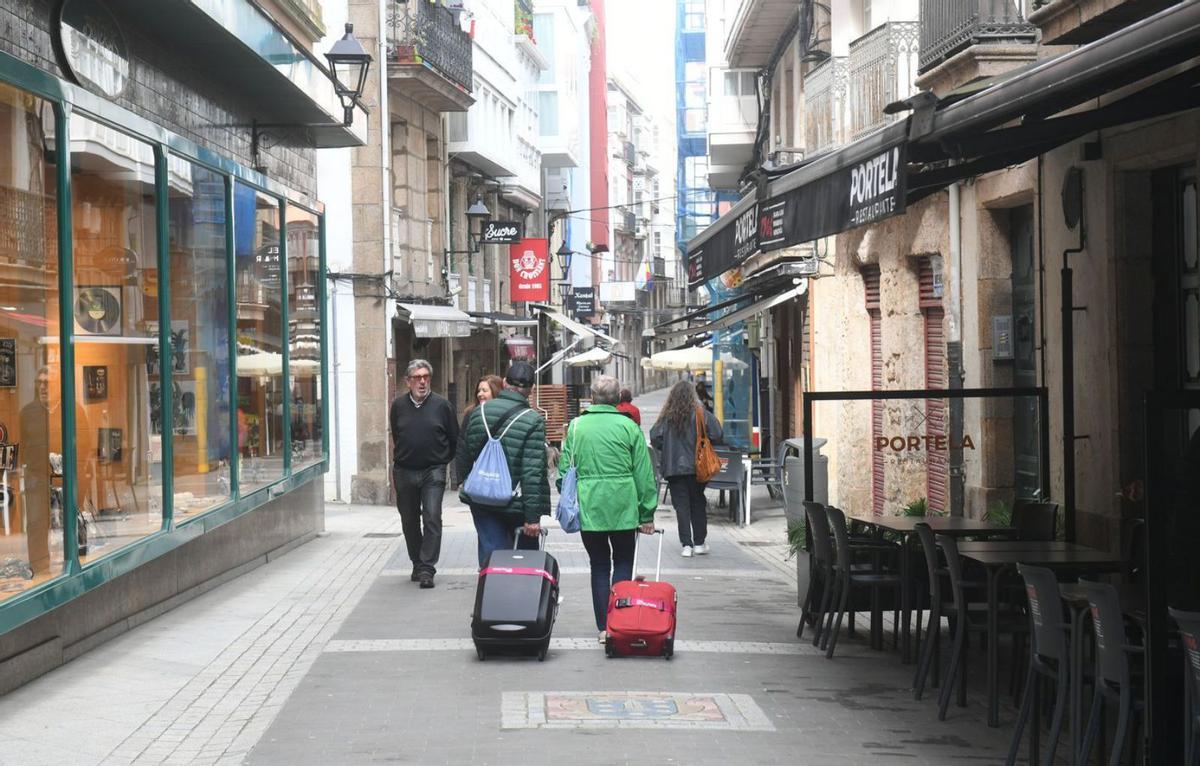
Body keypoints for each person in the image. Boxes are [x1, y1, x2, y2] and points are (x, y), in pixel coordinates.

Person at [558, 376, 658, 643]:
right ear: (617, 399)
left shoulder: (577, 427)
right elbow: (644, 474)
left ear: (591, 398)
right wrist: (647, 512)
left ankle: (603, 628)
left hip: (590, 505)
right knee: (623, 563)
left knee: (599, 565)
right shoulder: (629, 428)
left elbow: (563, 471)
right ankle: (619, 622)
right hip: (624, 505)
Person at [457, 361, 549, 567]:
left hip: (482, 498)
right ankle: (518, 597)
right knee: (523, 562)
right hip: (516, 504)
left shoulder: (478, 413)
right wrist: (533, 516)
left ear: (505, 382)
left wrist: (464, 482)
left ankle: (489, 595)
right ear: (531, 389)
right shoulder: (532, 420)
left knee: (491, 557)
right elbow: (532, 472)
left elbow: (464, 451)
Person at [389, 359, 459, 589]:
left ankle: (427, 568)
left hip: (433, 470)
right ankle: (417, 562)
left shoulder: (442, 406)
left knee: (431, 516)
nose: (422, 381)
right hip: (405, 470)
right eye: (417, 377)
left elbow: (454, 438)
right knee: (409, 520)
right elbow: (397, 436)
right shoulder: (398, 406)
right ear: (408, 381)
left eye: (426, 377)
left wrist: (442, 461)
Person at [650, 380, 723, 557]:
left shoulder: (667, 416)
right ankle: (699, 542)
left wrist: (668, 447)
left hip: (674, 468)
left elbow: (655, 437)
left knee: (681, 506)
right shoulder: (700, 413)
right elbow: (717, 433)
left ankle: (686, 545)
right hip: (697, 467)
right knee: (698, 502)